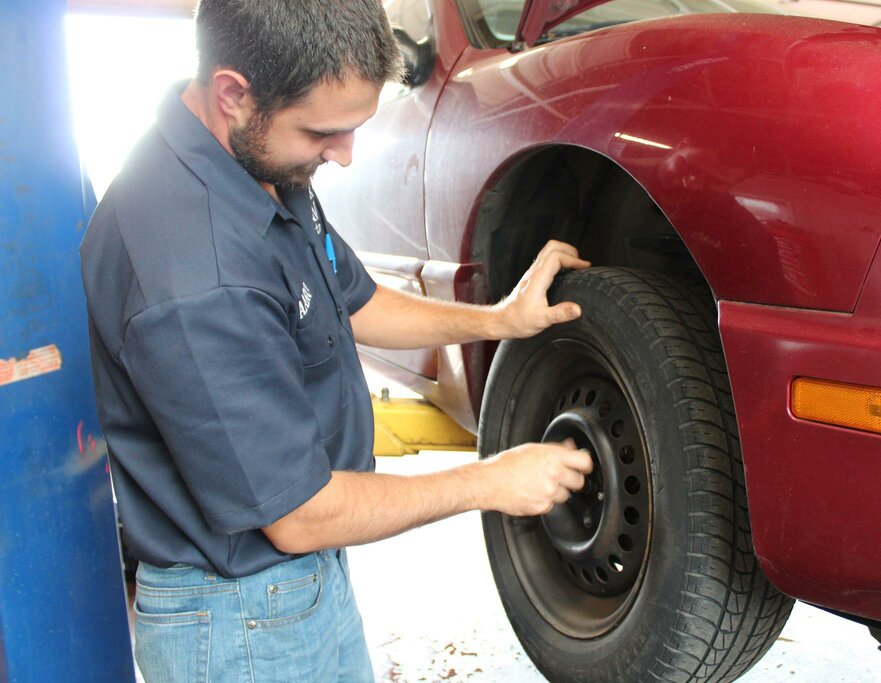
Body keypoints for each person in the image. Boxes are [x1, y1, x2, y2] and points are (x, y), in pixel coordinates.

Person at [78, 0, 593, 680]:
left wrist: (497, 319)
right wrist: (491, 479)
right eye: (324, 132)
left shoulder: (258, 161)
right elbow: (301, 515)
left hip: (297, 581)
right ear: (234, 93)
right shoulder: (193, 270)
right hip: (239, 619)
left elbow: (352, 301)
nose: (345, 156)